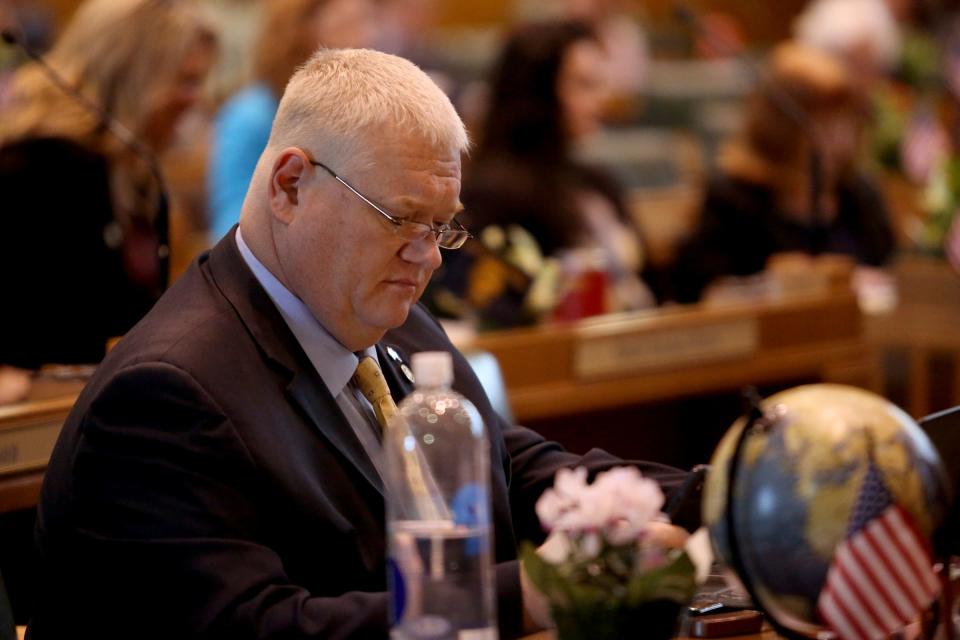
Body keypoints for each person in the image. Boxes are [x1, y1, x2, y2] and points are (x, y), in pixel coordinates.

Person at [29, 48, 698, 639]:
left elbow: (509, 468)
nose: (429, 258)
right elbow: (257, 626)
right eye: (402, 219)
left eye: (441, 227)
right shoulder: (166, 396)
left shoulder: (384, 310)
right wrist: (526, 595)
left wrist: (713, 501)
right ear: (290, 185)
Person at [0, 0, 216, 372]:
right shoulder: (33, 170)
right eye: (186, 81)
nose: (197, 99)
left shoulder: (136, 173)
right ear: (134, 74)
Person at [429, 20, 656, 328]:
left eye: (599, 83)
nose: (600, 99)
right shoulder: (496, 195)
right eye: (584, 84)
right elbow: (491, 315)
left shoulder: (596, 179)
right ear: (538, 92)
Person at [670, 42, 897, 304]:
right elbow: (699, 292)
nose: (841, 139)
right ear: (780, 129)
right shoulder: (733, 197)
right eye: (825, 124)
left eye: (846, 121)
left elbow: (892, 271)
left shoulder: (858, 192)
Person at [206, 0, 378, 242]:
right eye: (347, 25)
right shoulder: (251, 114)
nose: (365, 39)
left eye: (365, 23)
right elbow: (230, 224)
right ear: (301, 31)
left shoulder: (356, 113)